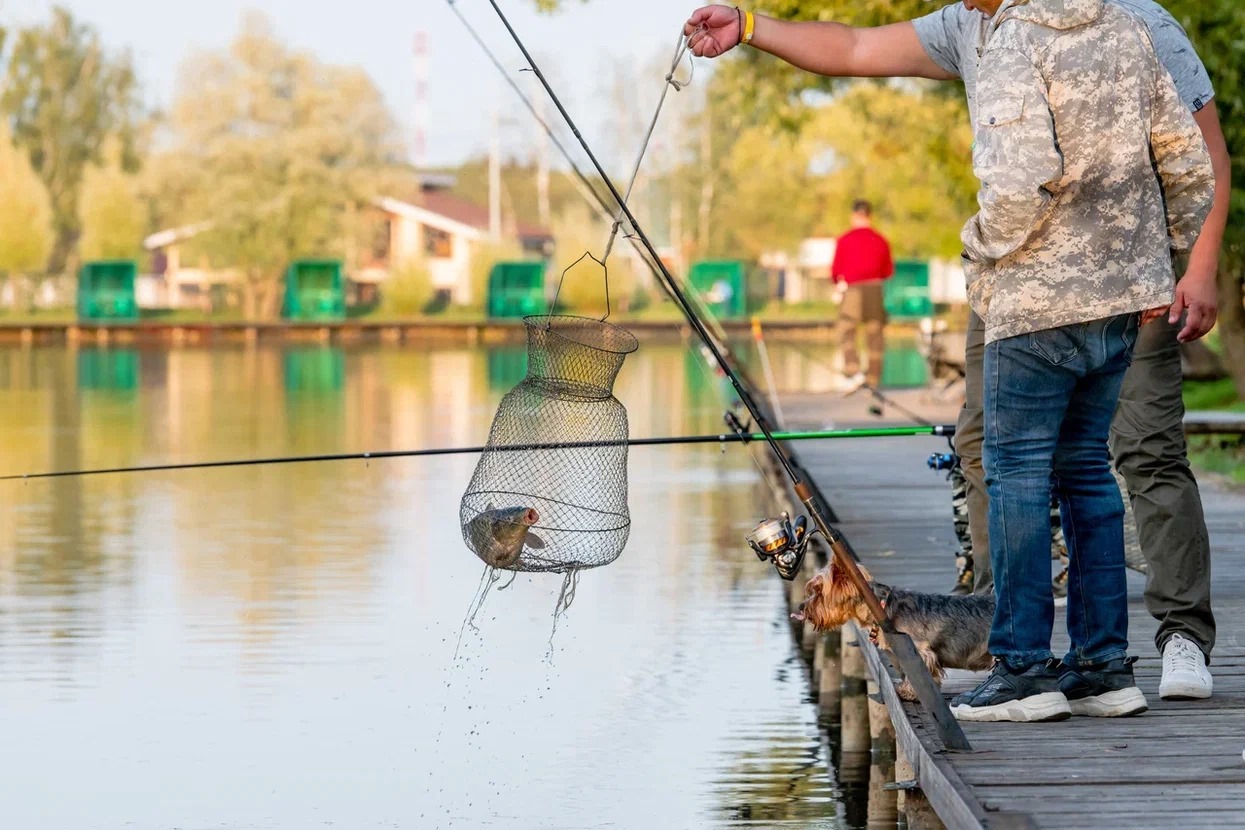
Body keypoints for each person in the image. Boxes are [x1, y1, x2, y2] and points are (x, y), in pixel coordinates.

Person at [684, 0, 1231, 702]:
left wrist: (1190, 262)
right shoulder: (970, 24)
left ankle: (1115, 647)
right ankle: (1060, 650)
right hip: (1084, 286)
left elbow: (1191, 147)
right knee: (1017, 456)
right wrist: (751, 26)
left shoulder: (1127, 20)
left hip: (1091, 283)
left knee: (1123, 454)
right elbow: (852, 48)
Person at [829, 199, 894, 389]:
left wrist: (837, 283)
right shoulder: (881, 240)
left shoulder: (845, 240)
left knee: (846, 328)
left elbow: (835, 271)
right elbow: (888, 271)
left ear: (853, 216)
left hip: (853, 290)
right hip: (875, 288)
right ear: (870, 216)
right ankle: (873, 378)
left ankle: (854, 370)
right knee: (875, 333)